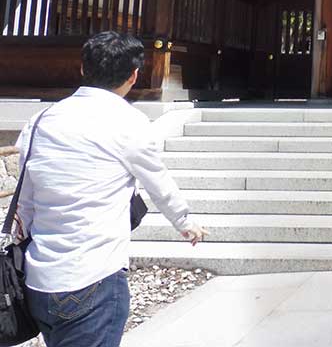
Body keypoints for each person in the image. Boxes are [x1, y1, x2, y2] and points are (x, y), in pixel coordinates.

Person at [15, 31, 207, 347]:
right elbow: (159, 184)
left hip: (38, 280)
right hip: (93, 275)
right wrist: (185, 223)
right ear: (134, 76)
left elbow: (25, 200)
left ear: (82, 69)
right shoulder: (128, 123)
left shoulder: (40, 120)